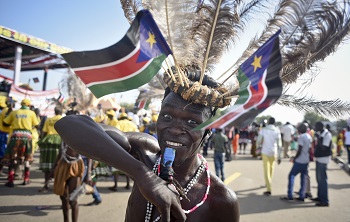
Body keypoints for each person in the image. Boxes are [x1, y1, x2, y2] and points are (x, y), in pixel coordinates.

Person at [55, 71, 240, 221]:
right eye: (167, 117)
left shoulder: (221, 200)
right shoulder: (145, 153)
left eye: (192, 122)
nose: (175, 130)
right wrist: (144, 176)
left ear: (207, 133)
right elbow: (68, 125)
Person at [52, 107, 84, 222]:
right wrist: (54, 165)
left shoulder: (82, 133)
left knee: (73, 199)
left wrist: (89, 173)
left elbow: (89, 154)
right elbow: (61, 150)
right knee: (63, 197)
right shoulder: (64, 131)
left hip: (76, 165)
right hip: (63, 164)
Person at [3, 98, 39, 187]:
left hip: (15, 137)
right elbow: (37, 125)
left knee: (12, 158)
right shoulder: (31, 113)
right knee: (27, 158)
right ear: (28, 105)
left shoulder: (14, 112)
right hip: (27, 137)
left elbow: (5, 123)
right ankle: (26, 179)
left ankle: (10, 180)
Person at [280, 123, 312, 201]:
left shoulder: (301, 137)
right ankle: (302, 195)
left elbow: (300, 149)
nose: (297, 129)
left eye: (299, 128)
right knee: (303, 178)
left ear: (301, 129)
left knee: (291, 175)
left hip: (299, 160)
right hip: (305, 160)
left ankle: (290, 195)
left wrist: (294, 158)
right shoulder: (309, 136)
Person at [37, 106, 63, 192]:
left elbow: (44, 132)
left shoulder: (49, 119)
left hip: (48, 141)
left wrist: (42, 142)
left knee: (47, 162)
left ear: (55, 112)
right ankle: (57, 185)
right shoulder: (63, 119)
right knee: (59, 163)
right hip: (59, 141)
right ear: (61, 112)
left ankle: (46, 184)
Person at [256, 117, 282, 196]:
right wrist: (280, 156)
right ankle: (268, 183)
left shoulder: (263, 130)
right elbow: (279, 145)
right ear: (274, 123)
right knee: (271, 169)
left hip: (265, 151)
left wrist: (258, 148)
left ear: (268, 122)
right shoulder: (277, 130)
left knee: (266, 170)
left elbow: (258, 141)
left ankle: (269, 188)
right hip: (273, 152)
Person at [312, 121, 332, 207]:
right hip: (319, 159)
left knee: (322, 180)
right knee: (319, 179)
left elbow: (324, 148)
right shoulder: (322, 134)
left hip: (323, 160)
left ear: (320, 127)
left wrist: (318, 139)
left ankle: (324, 200)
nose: (315, 129)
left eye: (316, 127)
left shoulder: (327, 135)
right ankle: (320, 197)